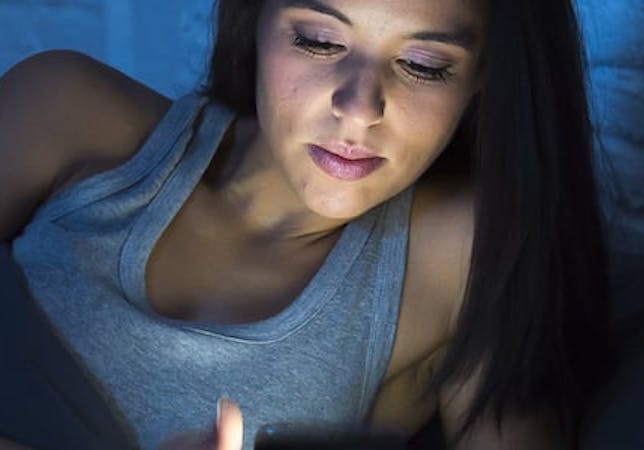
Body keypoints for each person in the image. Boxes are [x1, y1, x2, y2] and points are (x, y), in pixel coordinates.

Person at [0, 0, 612, 449]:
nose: (358, 107)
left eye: (423, 64)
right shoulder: (63, 108)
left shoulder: (465, 251)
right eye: (320, 41)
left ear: (482, 79)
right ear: (255, 20)